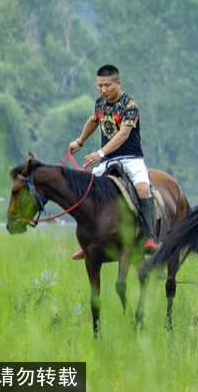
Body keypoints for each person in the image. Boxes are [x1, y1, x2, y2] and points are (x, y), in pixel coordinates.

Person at [69, 64, 158, 257]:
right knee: (87, 193)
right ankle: (87, 242)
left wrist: (99, 153)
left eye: (107, 85)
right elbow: (94, 120)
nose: (103, 90)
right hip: (107, 161)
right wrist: (80, 141)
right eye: (99, 86)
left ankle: (150, 237)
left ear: (118, 83)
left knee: (143, 188)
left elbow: (124, 134)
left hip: (131, 158)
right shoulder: (100, 103)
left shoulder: (130, 105)